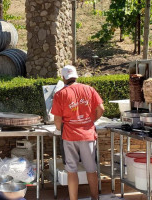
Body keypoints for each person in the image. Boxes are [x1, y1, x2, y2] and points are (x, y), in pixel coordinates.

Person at [51, 65, 105, 200]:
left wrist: (59, 129)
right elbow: (101, 109)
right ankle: (95, 198)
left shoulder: (60, 94)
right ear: (76, 76)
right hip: (87, 134)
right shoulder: (89, 89)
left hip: (69, 136)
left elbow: (57, 119)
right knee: (91, 169)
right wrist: (90, 120)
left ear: (63, 78)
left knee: (71, 171)